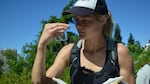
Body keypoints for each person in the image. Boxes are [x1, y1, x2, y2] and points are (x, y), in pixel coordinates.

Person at [32, 0, 135, 84]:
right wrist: (41, 46)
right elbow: (40, 82)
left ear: (103, 19)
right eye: (77, 20)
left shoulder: (119, 53)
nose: (79, 26)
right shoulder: (69, 51)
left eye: (85, 20)